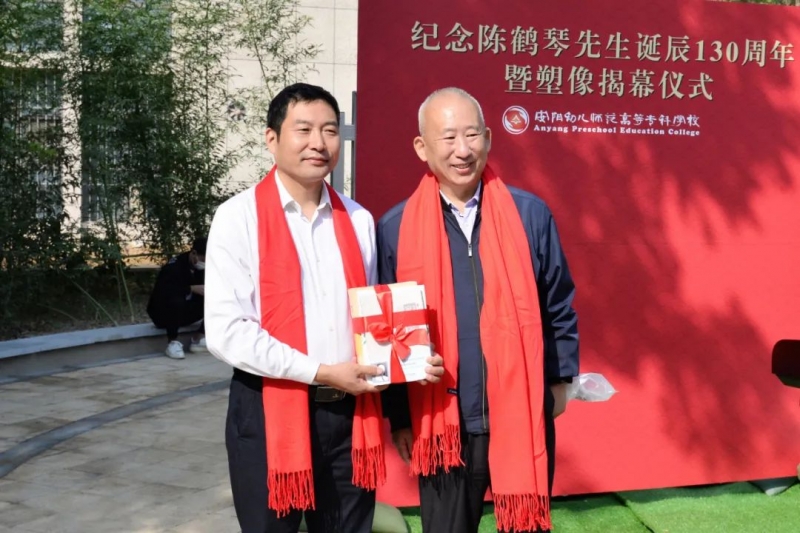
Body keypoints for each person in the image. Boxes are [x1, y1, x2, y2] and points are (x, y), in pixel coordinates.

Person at [204, 82, 444, 533]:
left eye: (330, 130)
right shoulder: (238, 218)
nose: (318, 142)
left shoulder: (358, 219)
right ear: (272, 138)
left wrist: (409, 360)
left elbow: (374, 321)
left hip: (351, 416)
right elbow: (228, 332)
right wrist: (321, 372)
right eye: (304, 130)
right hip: (268, 410)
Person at [377, 87, 580, 533]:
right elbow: (388, 333)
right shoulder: (395, 228)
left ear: (488, 138)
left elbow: (558, 304)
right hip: (441, 423)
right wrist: (401, 417)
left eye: (472, 135)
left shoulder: (529, 215)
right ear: (422, 147)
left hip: (521, 411)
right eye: (448, 137)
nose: (462, 150)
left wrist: (558, 384)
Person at [146, 237, 208, 359]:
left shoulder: (200, 269)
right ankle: (172, 342)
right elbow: (164, 292)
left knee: (215, 300)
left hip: (185, 311)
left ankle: (199, 338)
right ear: (194, 253)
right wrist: (190, 288)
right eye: (202, 260)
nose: (203, 264)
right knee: (176, 301)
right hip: (163, 313)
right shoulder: (174, 267)